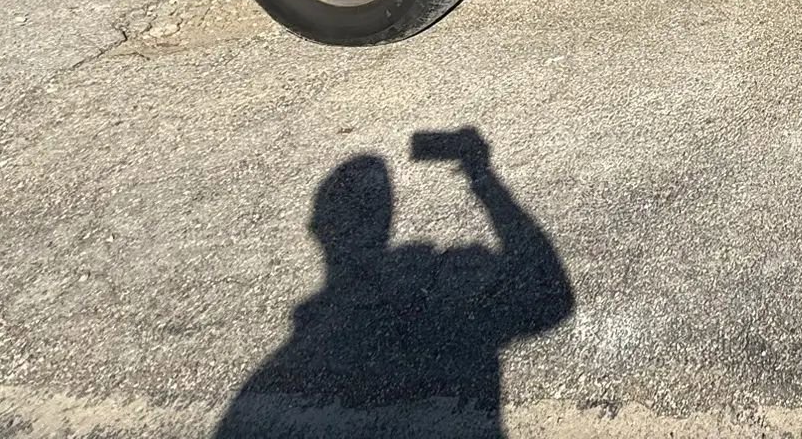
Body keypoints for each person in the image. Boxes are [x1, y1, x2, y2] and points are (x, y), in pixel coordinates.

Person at [217, 127, 572, 437]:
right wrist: (481, 175)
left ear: (319, 231)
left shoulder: (275, 377)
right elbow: (551, 297)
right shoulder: (287, 363)